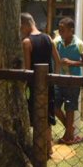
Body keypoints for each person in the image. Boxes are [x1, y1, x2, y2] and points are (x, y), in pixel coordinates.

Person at [21, 12, 61, 157]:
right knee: (48, 114)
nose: (21, 31)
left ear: (24, 25)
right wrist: (54, 77)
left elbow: (27, 69)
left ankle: (39, 148)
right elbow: (58, 61)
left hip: (35, 85)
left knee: (37, 115)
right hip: (49, 82)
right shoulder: (48, 38)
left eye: (20, 27)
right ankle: (49, 148)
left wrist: (25, 86)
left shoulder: (27, 42)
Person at [54, 17, 83, 144]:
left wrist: (71, 62)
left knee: (70, 108)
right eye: (59, 29)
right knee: (54, 106)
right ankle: (70, 130)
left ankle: (68, 136)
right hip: (59, 79)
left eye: (63, 30)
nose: (60, 32)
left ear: (71, 30)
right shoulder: (57, 42)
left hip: (73, 81)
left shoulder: (79, 44)